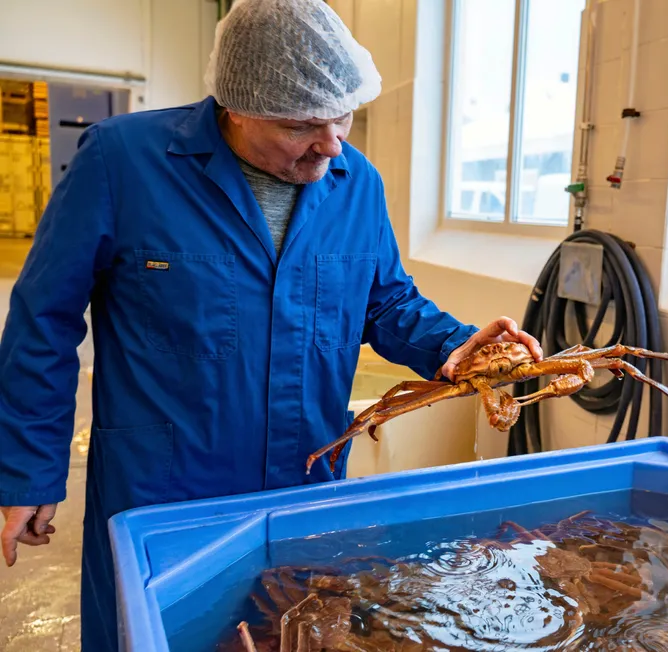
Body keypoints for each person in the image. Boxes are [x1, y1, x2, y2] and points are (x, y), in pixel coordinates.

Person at [0, 0, 542, 649]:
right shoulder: (123, 162)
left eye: (342, 115)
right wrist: (30, 468)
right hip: (164, 494)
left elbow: (387, 302)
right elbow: (44, 319)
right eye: (301, 125)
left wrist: (458, 347)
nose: (331, 143)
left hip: (304, 485)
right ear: (235, 103)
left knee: (295, 636)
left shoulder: (355, 181)